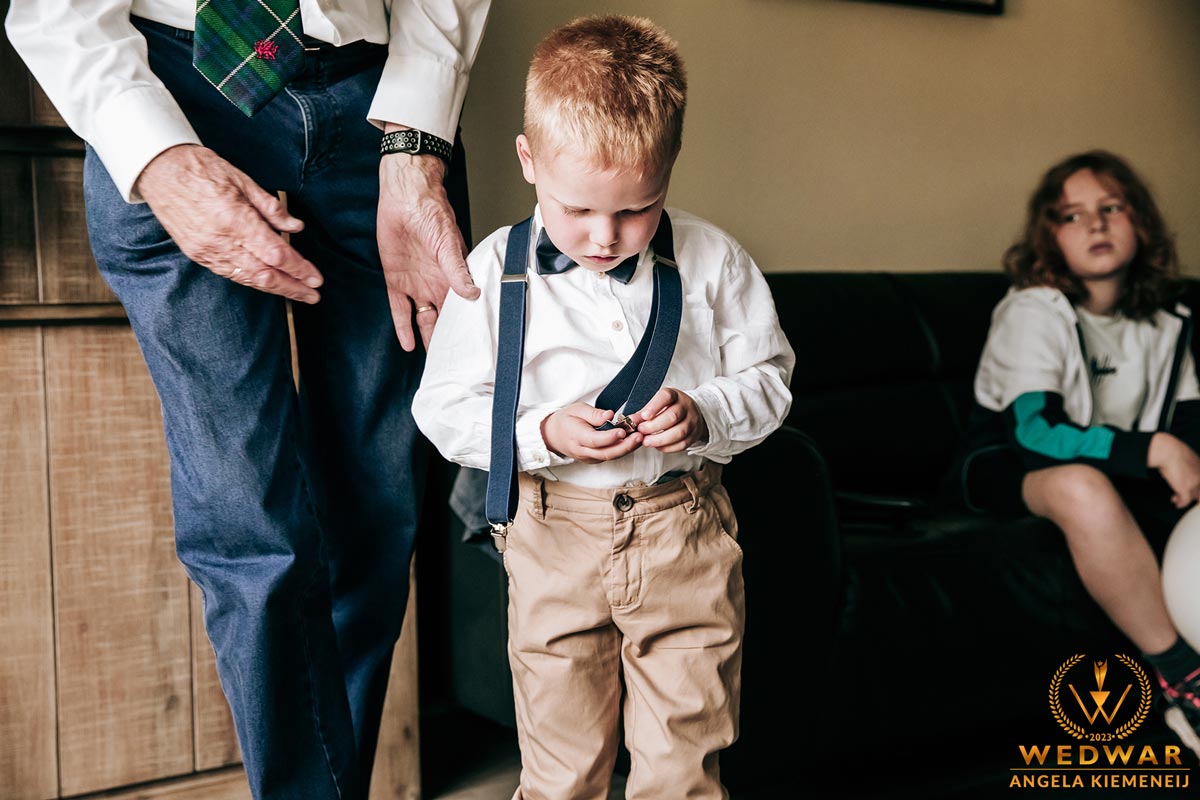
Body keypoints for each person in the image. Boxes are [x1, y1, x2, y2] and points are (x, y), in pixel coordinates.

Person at [5, 1, 490, 798]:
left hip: (386, 100)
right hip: (175, 92)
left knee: (378, 512)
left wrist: (417, 148)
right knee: (251, 528)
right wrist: (159, 158)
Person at [412, 15, 795, 798]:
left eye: (634, 210)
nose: (603, 238)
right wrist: (542, 431)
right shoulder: (492, 271)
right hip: (552, 531)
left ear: (670, 168)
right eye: (578, 210)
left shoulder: (715, 261)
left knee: (686, 759)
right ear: (529, 161)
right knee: (561, 765)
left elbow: (771, 379)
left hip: (683, 526)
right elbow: (442, 409)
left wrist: (705, 411)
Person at [955, 150, 1200, 758]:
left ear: (1139, 221)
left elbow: (1190, 426)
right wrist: (1154, 449)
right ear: (1051, 236)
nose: (1095, 224)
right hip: (1009, 466)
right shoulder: (1033, 309)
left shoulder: (1170, 319)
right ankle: (1184, 681)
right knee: (1081, 485)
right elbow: (1035, 431)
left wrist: (1182, 462)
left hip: (1121, 472)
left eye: (1111, 208)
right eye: (1072, 215)